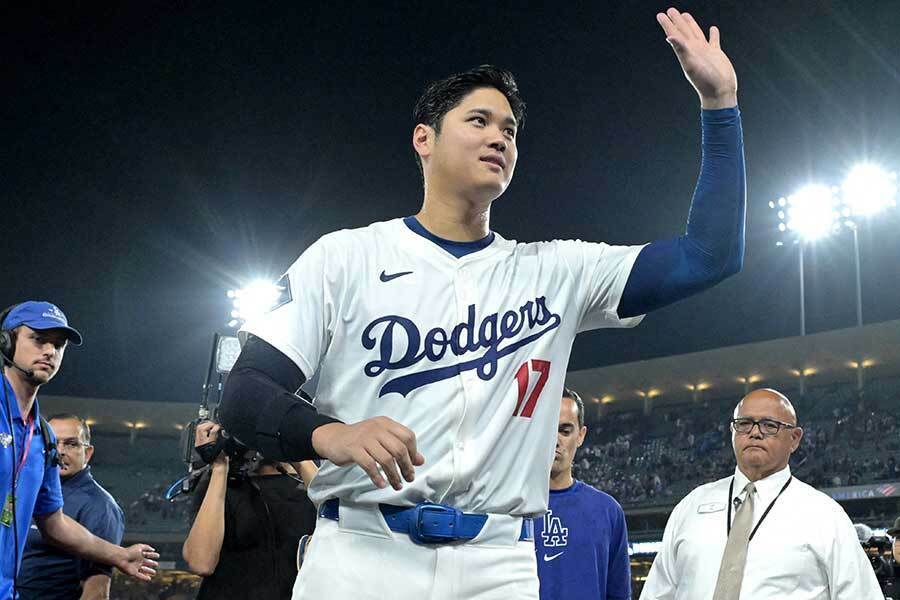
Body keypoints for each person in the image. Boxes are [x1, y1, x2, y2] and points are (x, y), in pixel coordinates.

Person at [219, 8, 746, 599]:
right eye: (479, 120)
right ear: (425, 137)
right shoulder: (345, 257)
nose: (500, 136)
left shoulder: (557, 270)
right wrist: (326, 434)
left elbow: (709, 256)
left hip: (499, 562)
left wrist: (719, 104)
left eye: (511, 130)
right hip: (361, 554)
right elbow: (244, 393)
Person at [640, 388, 882, 599]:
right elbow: (658, 593)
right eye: (744, 423)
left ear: (795, 438)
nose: (755, 432)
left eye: (770, 425)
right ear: (732, 431)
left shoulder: (825, 515)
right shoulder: (691, 506)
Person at [0, 301, 158, 599]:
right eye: (38, 339)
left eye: (58, 345)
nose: (50, 351)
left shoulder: (42, 436)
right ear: (6, 342)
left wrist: (118, 555)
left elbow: (54, 522)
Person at [182, 421, 318, 599]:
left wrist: (293, 450)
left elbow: (336, 516)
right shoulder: (222, 484)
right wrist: (220, 468)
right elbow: (201, 563)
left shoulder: (309, 485)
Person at [534, 388, 630, 600]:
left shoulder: (608, 511)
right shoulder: (511, 507)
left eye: (564, 431)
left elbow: (619, 594)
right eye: (547, 428)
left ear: (581, 435)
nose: (555, 440)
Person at [17, 413, 125, 600]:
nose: (60, 451)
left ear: (88, 453)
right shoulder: (27, 489)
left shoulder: (100, 506)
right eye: (53, 442)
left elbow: (97, 590)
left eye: (71, 444)